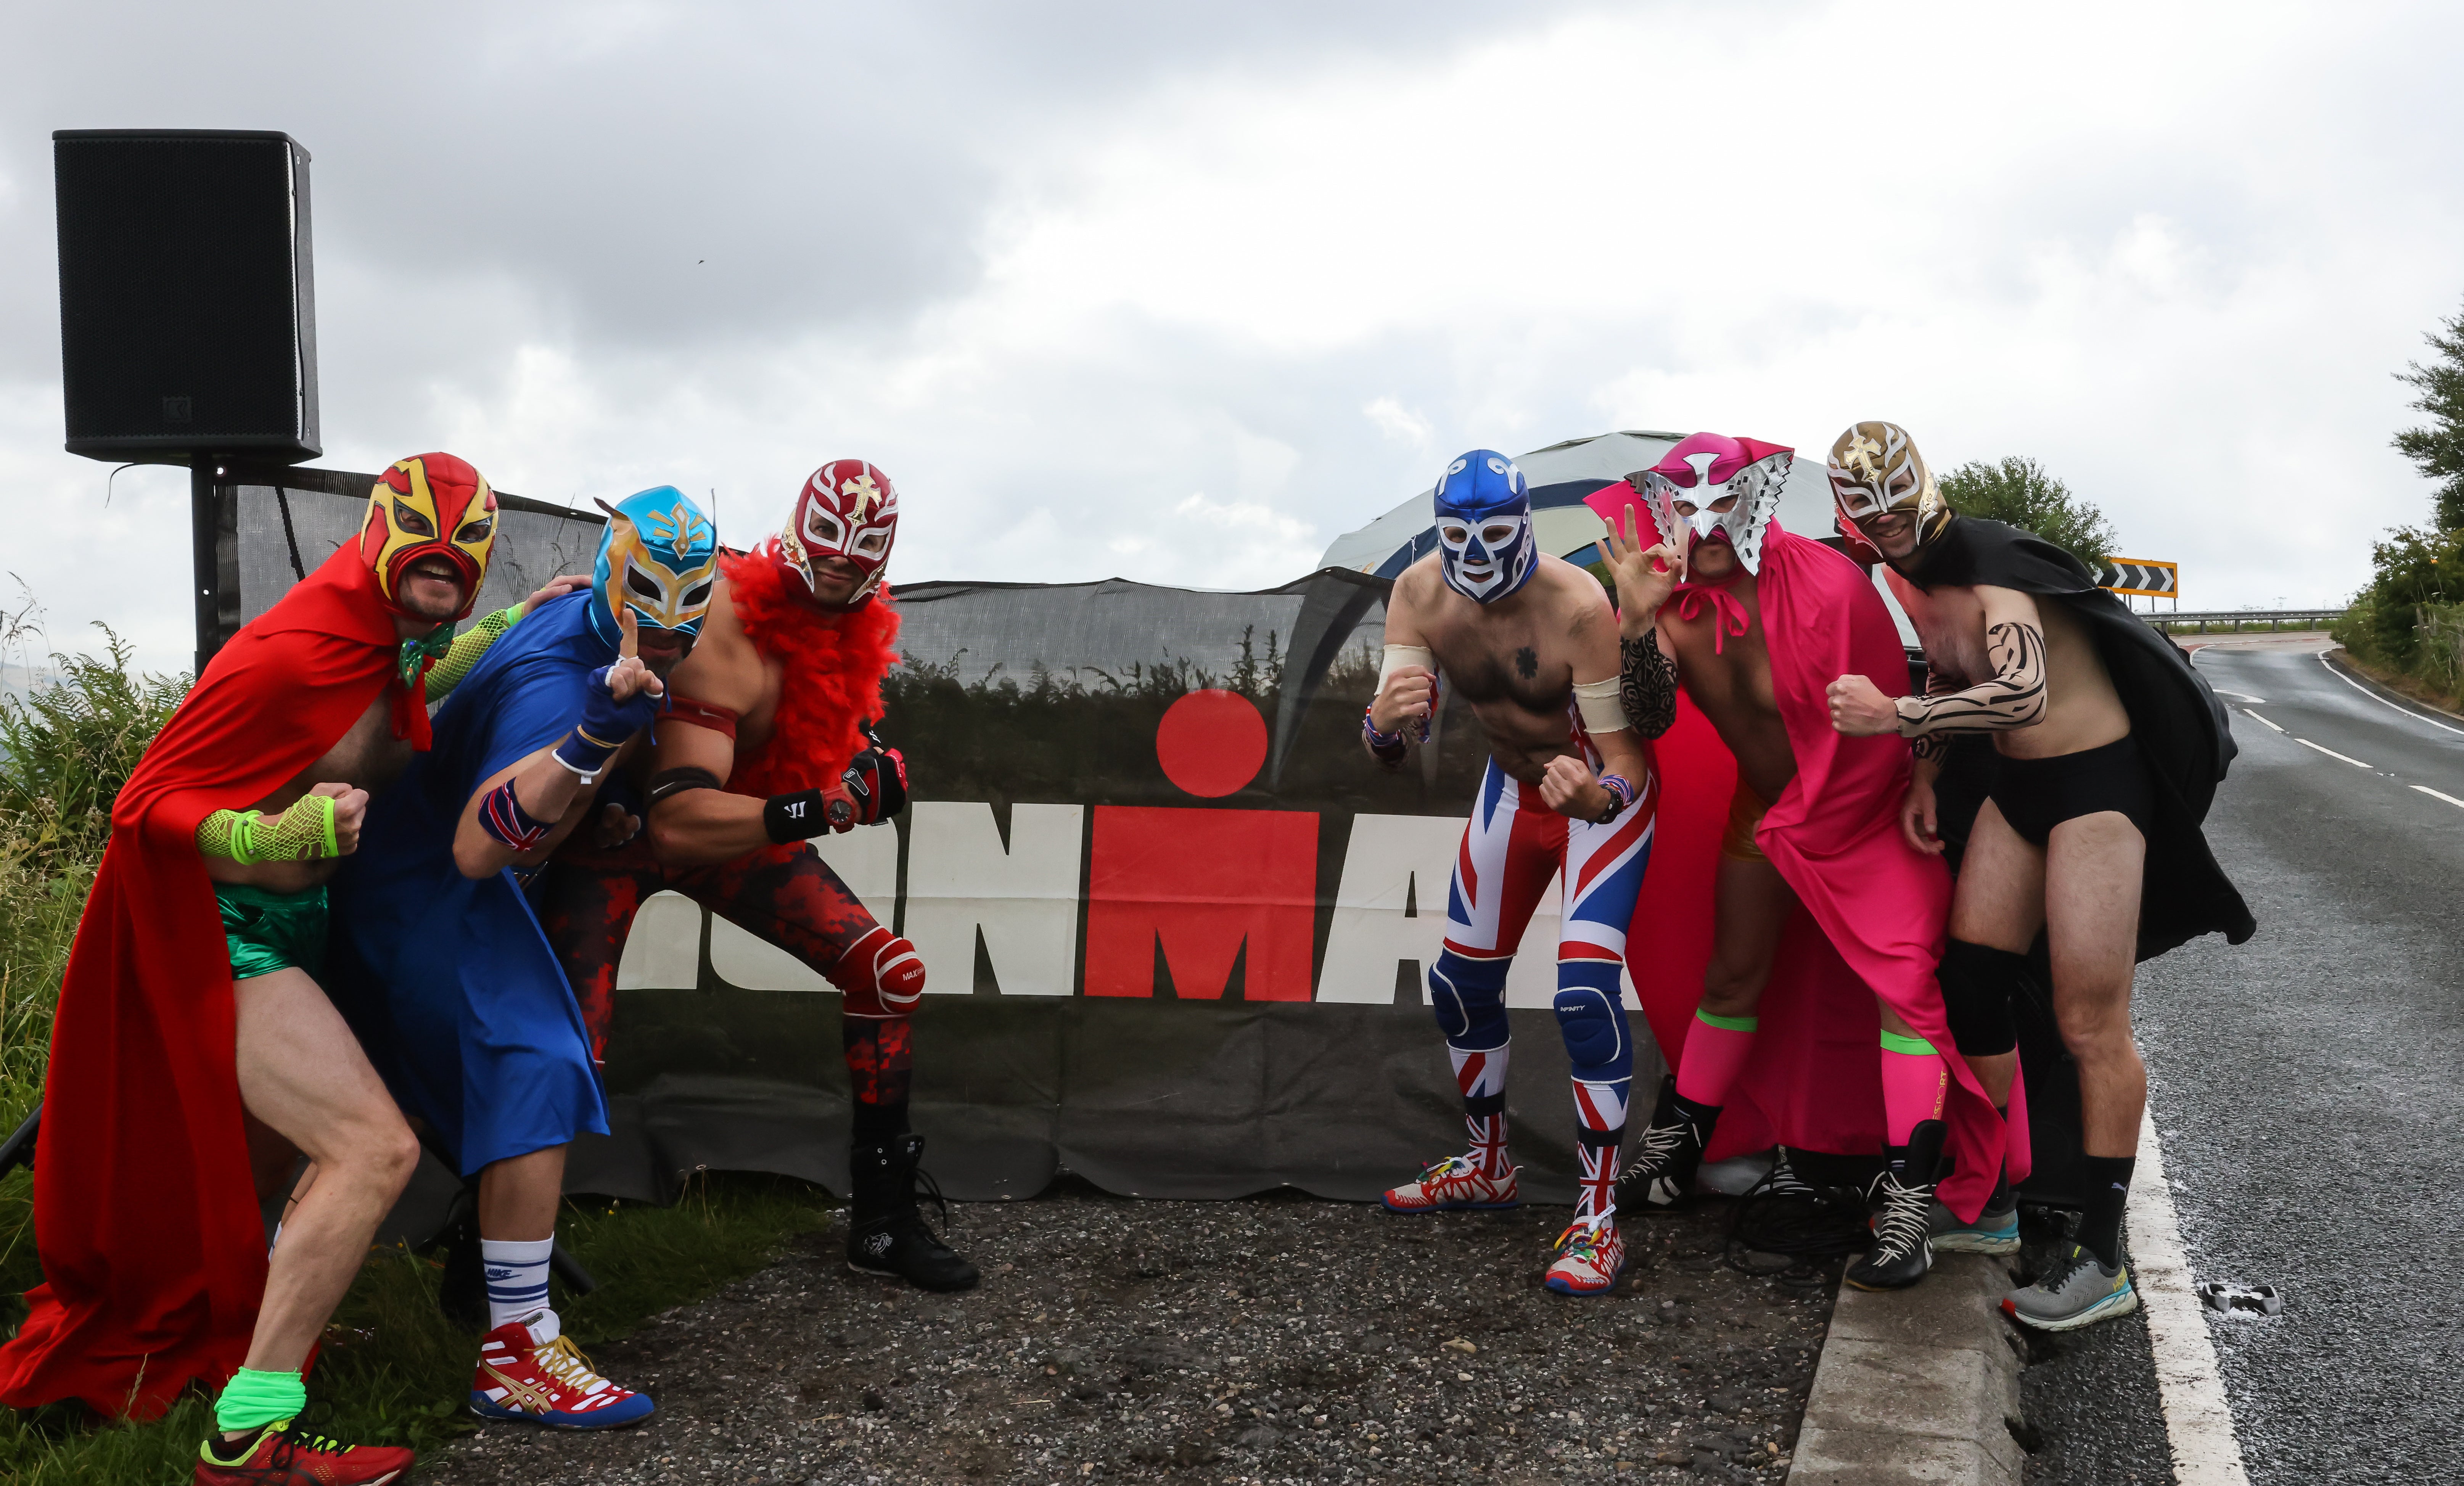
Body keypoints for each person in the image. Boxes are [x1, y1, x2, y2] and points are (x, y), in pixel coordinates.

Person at [0, 455, 579, 1483]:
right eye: (424, 556)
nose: (441, 575)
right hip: (220, 934)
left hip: (289, 928)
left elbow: (408, 677)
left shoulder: (377, 640)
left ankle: (237, 1349)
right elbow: (144, 807)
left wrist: (515, 623)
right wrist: (274, 834)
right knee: (371, 1152)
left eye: (462, 565)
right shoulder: (291, 654)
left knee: (264, 1171)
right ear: (377, 539)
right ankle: (251, 1434)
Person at [1823, 421, 2253, 1328]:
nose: (1887, 526)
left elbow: (2024, 693)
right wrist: (1927, 770)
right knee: (1970, 983)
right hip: (2017, 790)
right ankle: (1990, 1200)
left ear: (1921, 489)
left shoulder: (1988, 562)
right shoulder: (1906, 578)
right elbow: (1951, 678)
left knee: (2088, 1020)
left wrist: (1890, 717)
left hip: (2097, 792)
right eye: (1869, 515)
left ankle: (2103, 1261)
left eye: (1897, 507)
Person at [328, 486, 717, 1428]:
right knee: (537, 1066)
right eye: (648, 621)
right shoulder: (564, 675)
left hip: (403, 878)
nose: (662, 643)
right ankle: (516, 1348)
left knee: (413, 1102)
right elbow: (480, 844)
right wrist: (590, 743)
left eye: (681, 625)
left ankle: (264, 1306)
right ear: (619, 591)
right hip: (429, 886)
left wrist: (594, 798)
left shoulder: (573, 619)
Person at [538, 459, 976, 1292]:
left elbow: (788, 747)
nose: (844, 557)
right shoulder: (726, 621)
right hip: (619, 831)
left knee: (888, 971)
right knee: (564, 1048)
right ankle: (497, 1253)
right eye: (829, 538)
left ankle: (882, 1224)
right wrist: (831, 807)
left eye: (865, 546)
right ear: (793, 526)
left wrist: (857, 768)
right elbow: (675, 816)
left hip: (733, 830)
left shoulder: (853, 629)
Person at [1593, 433, 2013, 1292]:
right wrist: (1634, 619)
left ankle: (1907, 1200)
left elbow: (1906, 694)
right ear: (1663, 509)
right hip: (1766, 814)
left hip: (1862, 814)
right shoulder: (1666, 599)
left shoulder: (1828, 582)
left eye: (1724, 505)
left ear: (1757, 499)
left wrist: (1921, 776)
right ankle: (1676, 1155)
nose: (1706, 526)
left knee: (1904, 988)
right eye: (1688, 507)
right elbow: (1649, 717)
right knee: (1731, 975)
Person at [1363, 449, 1655, 1297]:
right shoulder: (1418, 592)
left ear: (1525, 526)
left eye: (1497, 532)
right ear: (1439, 533)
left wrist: (1591, 795)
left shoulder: (1575, 603)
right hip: (1512, 791)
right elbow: (1390, 743)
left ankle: (1596, 1220)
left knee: (1583, 994)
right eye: (1461, 534)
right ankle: (1489, 1164)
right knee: (1457, 983)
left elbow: (1626, 760)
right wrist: (1382, 726)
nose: (1480, 552)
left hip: (1597, 797)